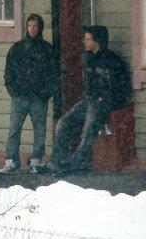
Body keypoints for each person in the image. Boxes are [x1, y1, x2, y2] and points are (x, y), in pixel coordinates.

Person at [39, 25, 132, 176]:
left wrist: (104, 98)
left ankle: (74, 164)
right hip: (89, 101)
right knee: (64, 122)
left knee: (88, 130)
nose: (84, 41)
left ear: (98, 41)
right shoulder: (90, 59)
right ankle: (56, 162)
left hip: (104, 103)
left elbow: (119, 87)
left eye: (88, 39)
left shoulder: (112, 61)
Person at [0, 13, 59, 175]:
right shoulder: (17, 49)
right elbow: (8, 73)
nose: (32, 29)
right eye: (30, 25)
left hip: (38, 97)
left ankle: (35, 161)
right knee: (14, 129)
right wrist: (14, 91)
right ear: (26, 27)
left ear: (40, 28)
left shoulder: (47, 49)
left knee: (39, 129)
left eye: (35, 26)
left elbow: (54, 74)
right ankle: (11, 161)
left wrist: (46, 93)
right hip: (19, 97)